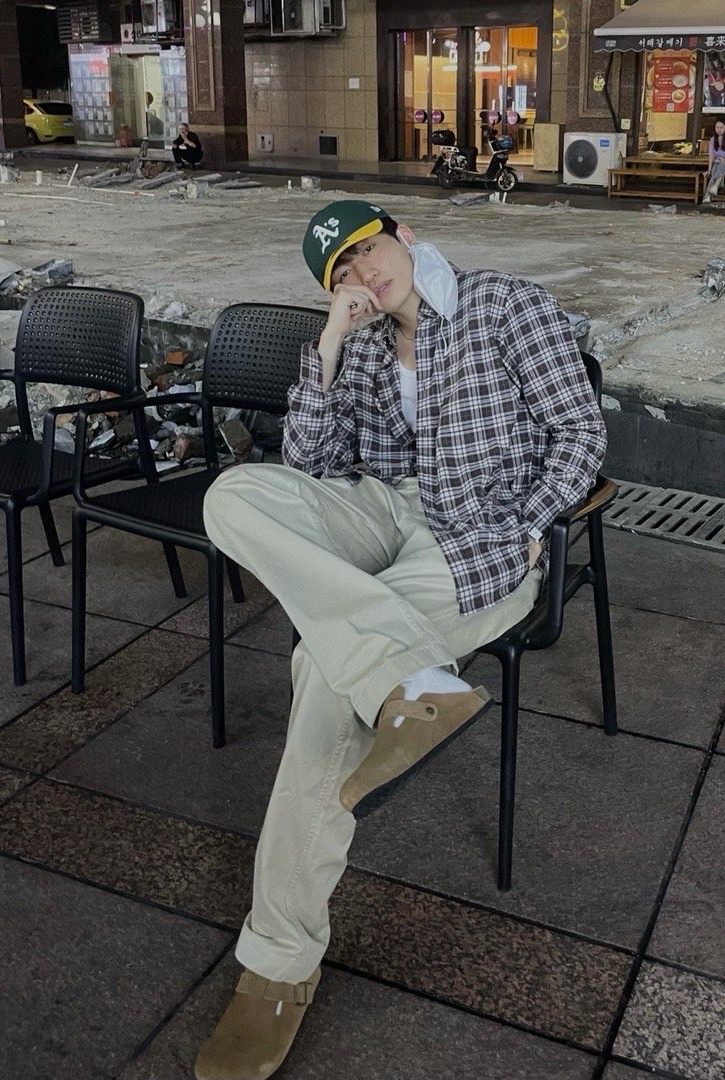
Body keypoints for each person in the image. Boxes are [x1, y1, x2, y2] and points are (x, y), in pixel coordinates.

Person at [194, 200, 607, 1080]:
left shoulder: (505, 305)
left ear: (406, 237)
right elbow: (311, 468)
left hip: (477, 539)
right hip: (382, 514)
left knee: (320, 673)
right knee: (232, 497)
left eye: (368, 251)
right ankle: (402, 676)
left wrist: (529, 526)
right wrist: (330, 344)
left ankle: (277, 967)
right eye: (341, 273)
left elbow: (582, 435)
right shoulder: (366, 341)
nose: (363, 276)